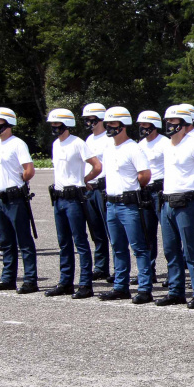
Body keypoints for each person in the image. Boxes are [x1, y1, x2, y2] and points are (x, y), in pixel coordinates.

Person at [158, 105, 194, 308]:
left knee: (192, 249)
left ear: (184, 125)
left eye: (174, 122)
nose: (169, 125)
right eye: (168, 121)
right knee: (170, 249)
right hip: (167, 201)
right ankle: (176, 291)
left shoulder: (193, 145)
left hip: (186, 201)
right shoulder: (167, 145)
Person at [96, 107, 155, 303]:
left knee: (139, 247)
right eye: (107, 124)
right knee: (118, 247)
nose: (108, 127)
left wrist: (131, 189)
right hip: (111, 204)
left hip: (128, 205)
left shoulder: (133, 148)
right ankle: (121, 286)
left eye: (112, 124)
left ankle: (145, 288)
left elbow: (145, 175)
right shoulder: (108, 148)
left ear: (123, 126)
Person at [45, 108, 101, 297]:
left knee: (80, 241)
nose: (54, 127)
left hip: (74, 199)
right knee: (64, 242)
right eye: (52, 124)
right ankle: (65, 281)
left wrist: (84, 181)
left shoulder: (77, 143)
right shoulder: (55, 144)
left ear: (66, 124)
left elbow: (97, 166)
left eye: (57, 124)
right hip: (59, 198)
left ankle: (85, 284)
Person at [0, 108, 38, 294]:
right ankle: (8, 278)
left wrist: (17, 184)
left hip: (14, 198)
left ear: (8, 123)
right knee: (6, 242)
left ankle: (30, 280)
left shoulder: (18, 144)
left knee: (24, 240)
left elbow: (29, 170)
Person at [81, 102, 113, 283]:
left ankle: (118, 269)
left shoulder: (108, 139)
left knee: (111, 231)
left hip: (104, 187)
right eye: (87, 120)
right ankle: (101, 267)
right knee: (96, 231)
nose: (89, 123)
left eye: (92, 120)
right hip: (90, 188)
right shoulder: (89, 140)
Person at [136, 110, 167, 285]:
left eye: (145, 125)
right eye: (140, 125)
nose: (142, 128)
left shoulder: (164, 143)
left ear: (154, 126)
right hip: (145, 191)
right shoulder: (140, 145)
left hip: (160, 190)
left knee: (169, 234)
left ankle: (173, 272)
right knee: (147, 234)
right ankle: (149, 271)